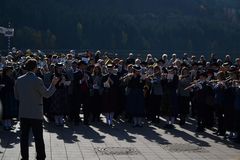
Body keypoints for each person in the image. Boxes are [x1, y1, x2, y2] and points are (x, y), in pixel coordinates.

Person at [14, 58, 59, 160]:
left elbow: (16, 96)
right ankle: (40, 157)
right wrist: (53, 84)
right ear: (35, 68)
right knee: (38, 137)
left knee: (24, 138)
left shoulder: (19, 79)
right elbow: (47, 94)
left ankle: (24, 157)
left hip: (24, 112)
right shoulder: (37, 80)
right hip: (36, 113)